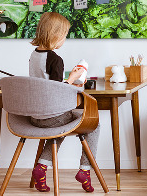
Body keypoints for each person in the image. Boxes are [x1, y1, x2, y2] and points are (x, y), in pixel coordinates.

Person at [29, 12, 99, 193]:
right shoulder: (55, 59)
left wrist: (68, 80)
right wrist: (73, 78)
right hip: (52, 116)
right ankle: (85, 170)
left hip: (35, 116)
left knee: (59, 128)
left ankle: (41, 168)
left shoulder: (34, 55)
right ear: (56, 35)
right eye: (64, 35)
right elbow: (57, 91)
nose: (64, 39)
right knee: (94, 124)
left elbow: (45, 84)